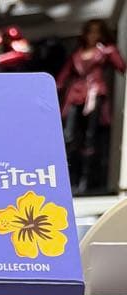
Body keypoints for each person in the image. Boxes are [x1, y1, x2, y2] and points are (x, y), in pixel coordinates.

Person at [58, 19, 126, 193]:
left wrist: (110, 51)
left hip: (94, 94)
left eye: (97, 32)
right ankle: (69, 179)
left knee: (90, 137)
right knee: (68, 136)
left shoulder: (104, 51)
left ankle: (86, 181)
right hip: (75, 95)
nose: (93, 35)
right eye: (90, 31)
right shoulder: (77, 54)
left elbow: (121, 66)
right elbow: (63, 77)